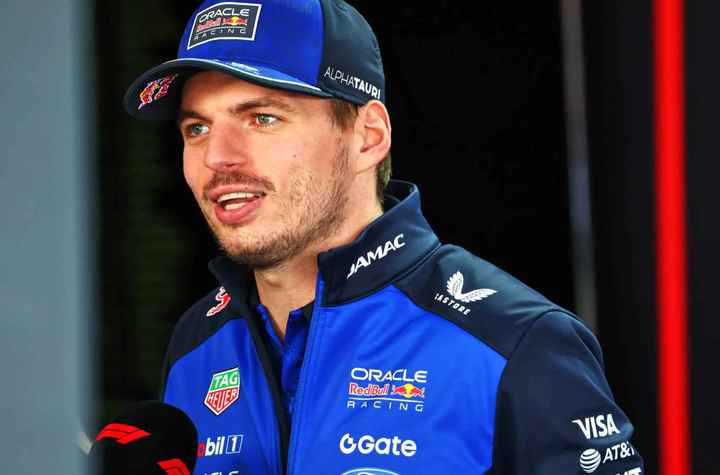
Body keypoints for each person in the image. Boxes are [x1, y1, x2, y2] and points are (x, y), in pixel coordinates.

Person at [123, 1, 644, 474]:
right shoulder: (197, 344)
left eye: (262, 118)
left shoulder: (512, 342)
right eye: (197, 129)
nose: (218, 157)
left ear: (367, 136)